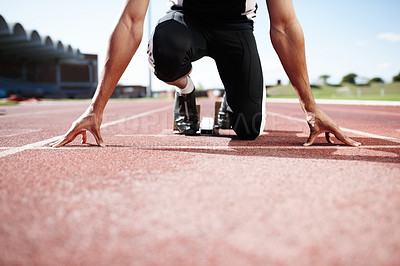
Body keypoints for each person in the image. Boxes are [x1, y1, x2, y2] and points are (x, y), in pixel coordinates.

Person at [50, 0, 361, 148]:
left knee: (248, 128)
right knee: (165, 50)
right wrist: (96, 108)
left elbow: (284, 25)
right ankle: (186, 90)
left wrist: (310, 106)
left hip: (236, 28)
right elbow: (131, 22)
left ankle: (233, 96)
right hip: (185, 20)